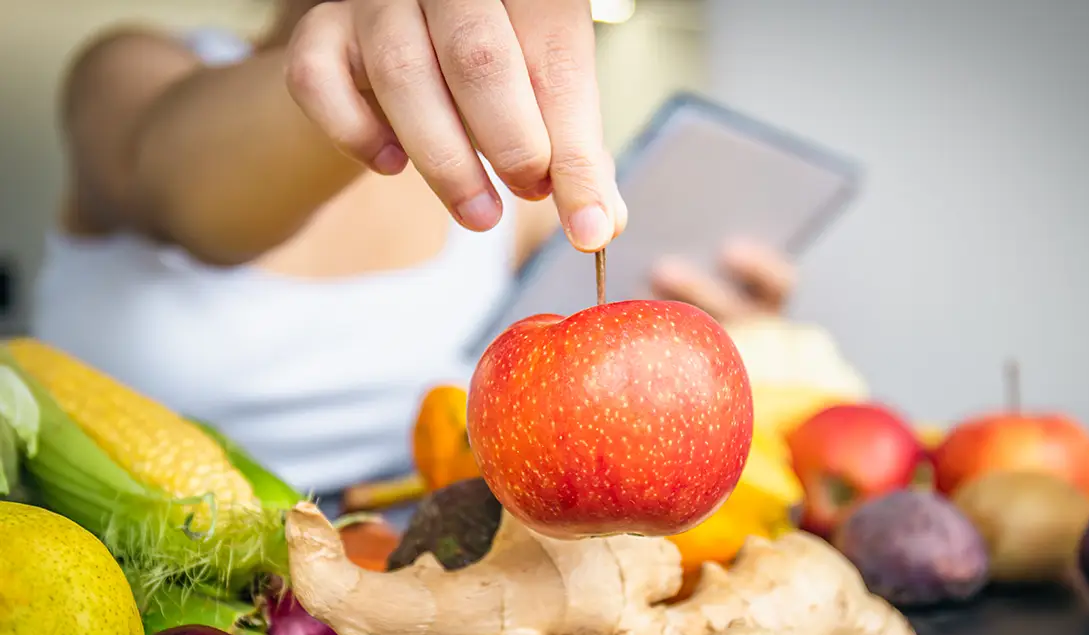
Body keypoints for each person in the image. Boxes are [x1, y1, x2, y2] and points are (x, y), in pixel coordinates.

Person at [33, 0, 796, 498]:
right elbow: (184, 191)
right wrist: (358, 74)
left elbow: (585, 361)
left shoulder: (507, 174)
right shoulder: (127, 72)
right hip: (152, 612)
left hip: (408, 624)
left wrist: (684, 326)